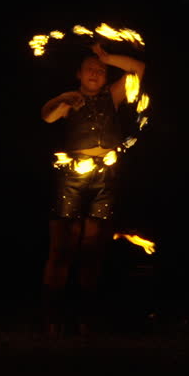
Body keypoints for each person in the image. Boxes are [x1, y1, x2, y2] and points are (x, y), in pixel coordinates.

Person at [39, 41, 145, 336]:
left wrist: (109, 57)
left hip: (104, 179)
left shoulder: (112, 96)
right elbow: (47, 116)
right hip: (72, 178)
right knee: (62, 247)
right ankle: (52, 317)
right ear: (79, 74)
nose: (95, 73)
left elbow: (139, 69)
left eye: (100, 70)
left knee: (93, 248)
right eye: (90, 69)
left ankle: (85, 318)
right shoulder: (70, 99)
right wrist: (64, 99)